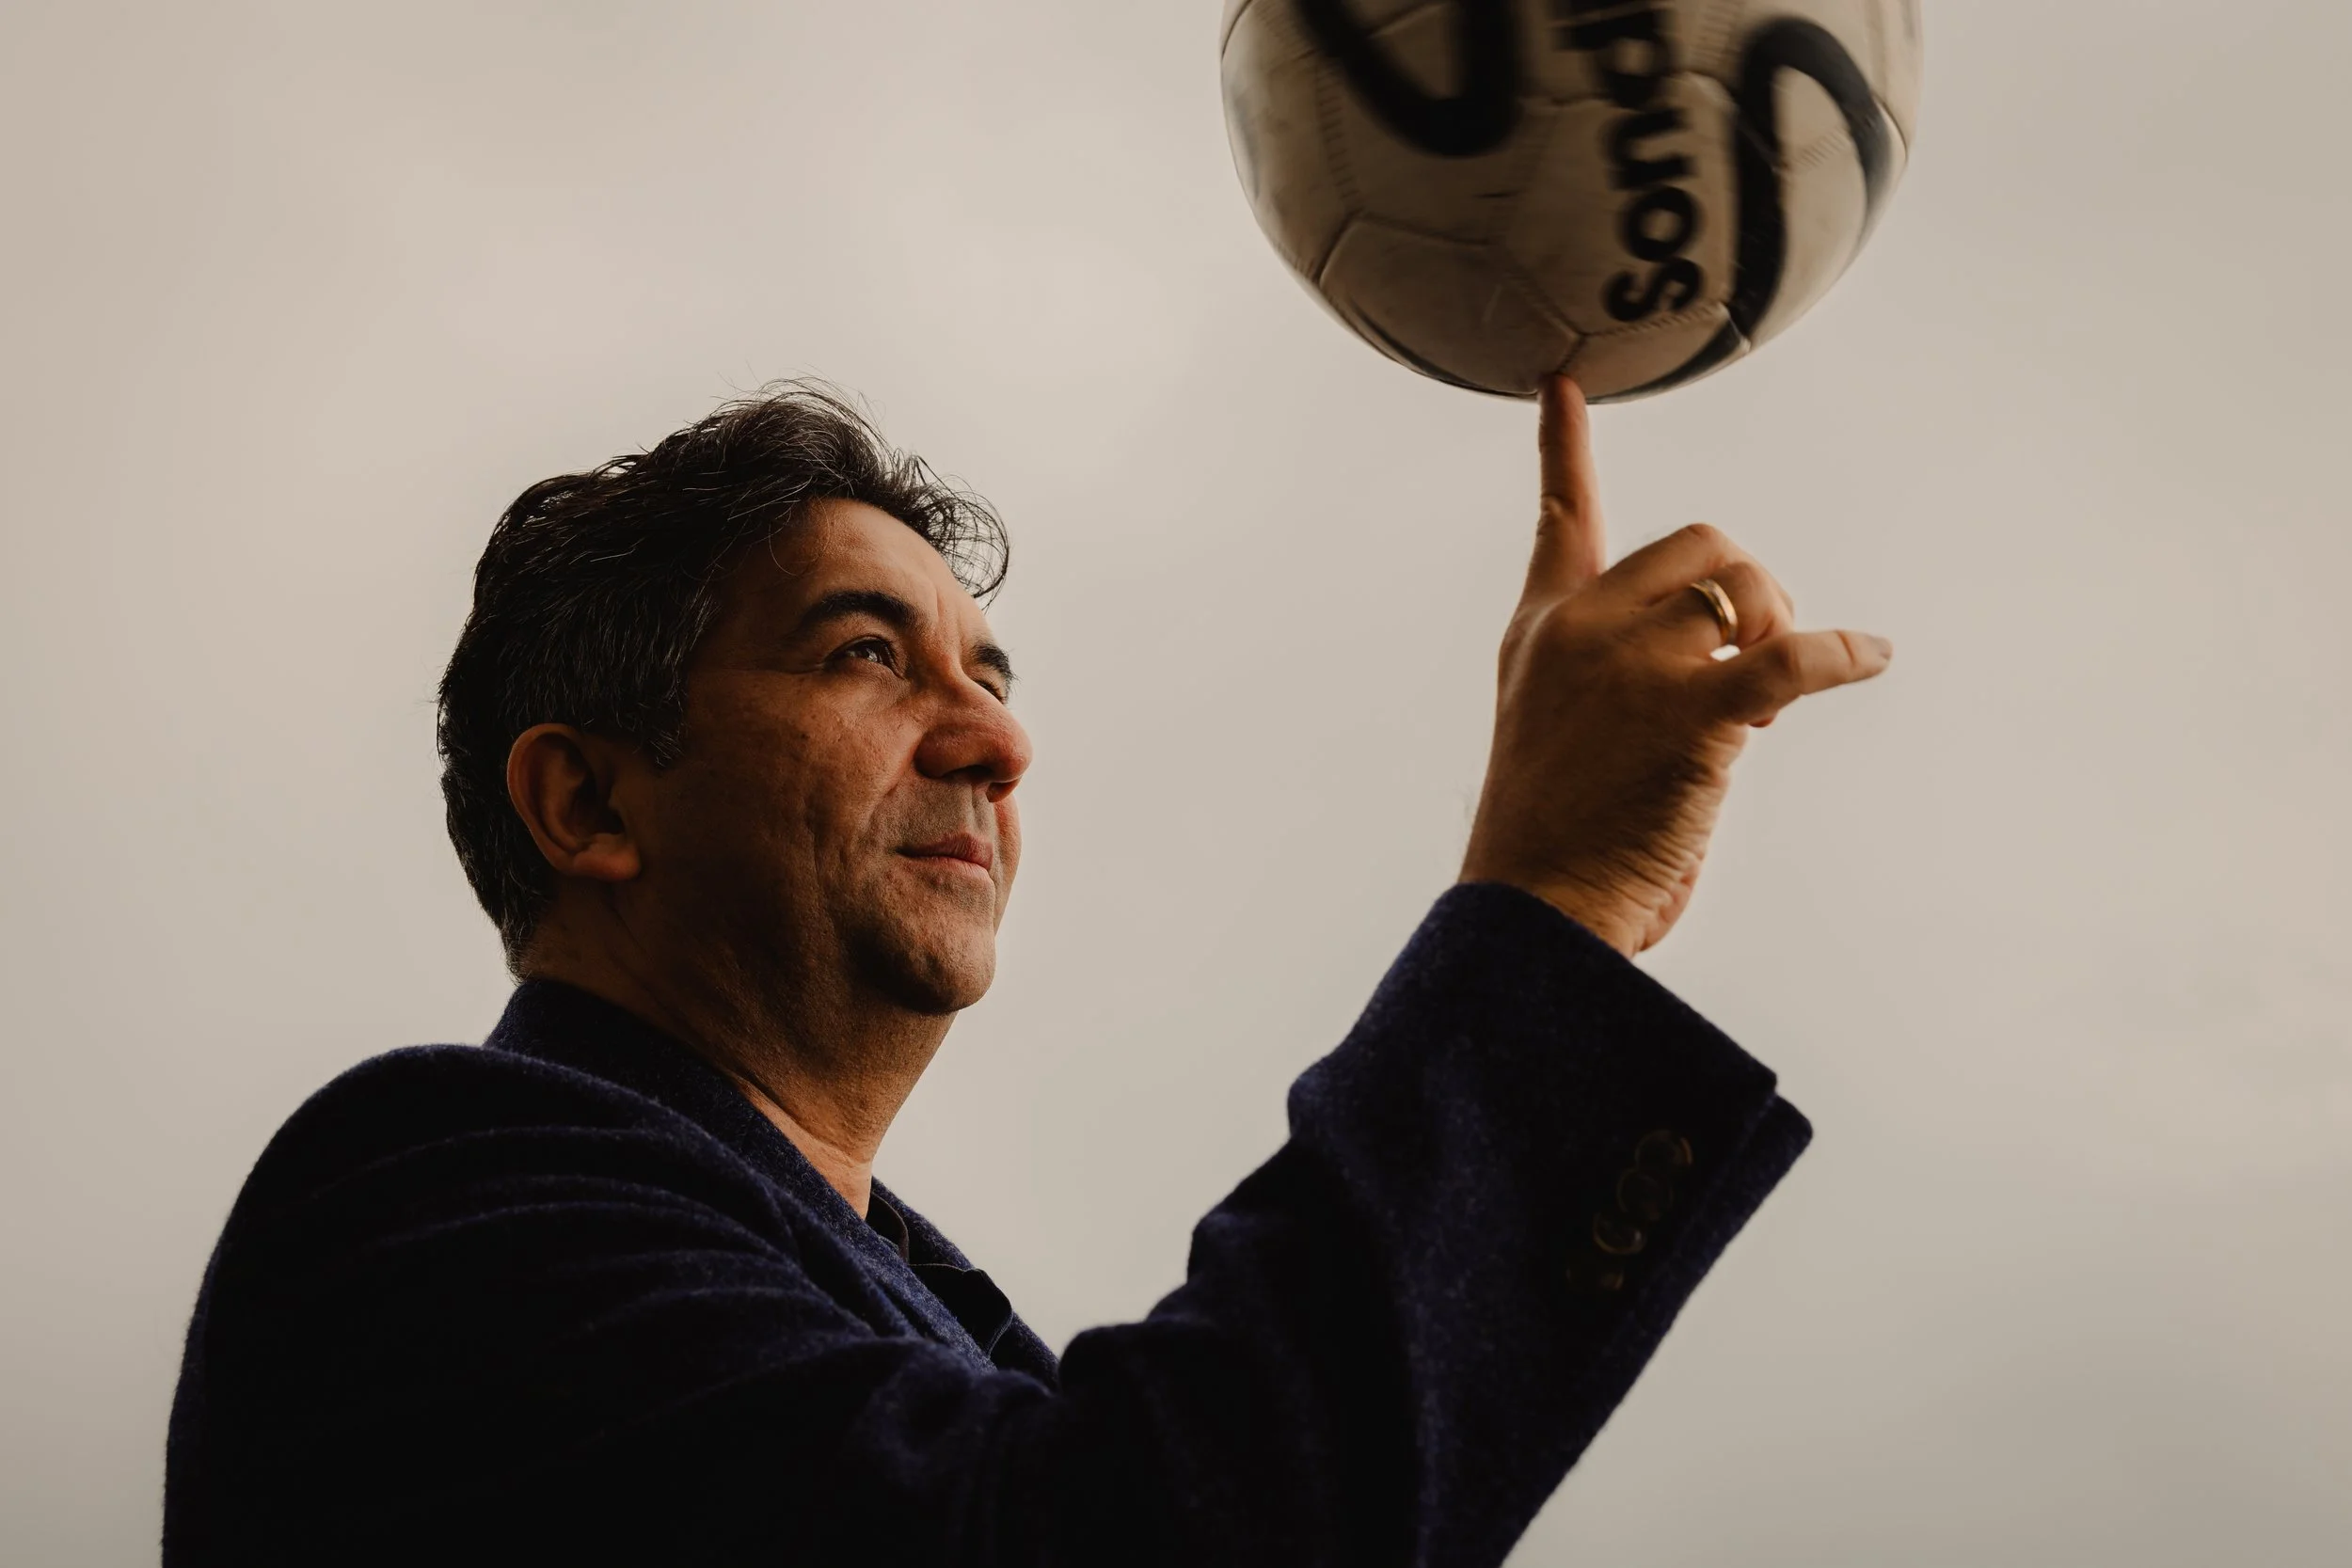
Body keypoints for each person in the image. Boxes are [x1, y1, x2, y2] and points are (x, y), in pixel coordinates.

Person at [164, 377, 1891, 1566]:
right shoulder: (420, 1204)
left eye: (989, 668)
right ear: (592, 798)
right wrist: (1555, 906)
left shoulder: (942, 1330)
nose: (996, 735)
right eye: (864, 652)